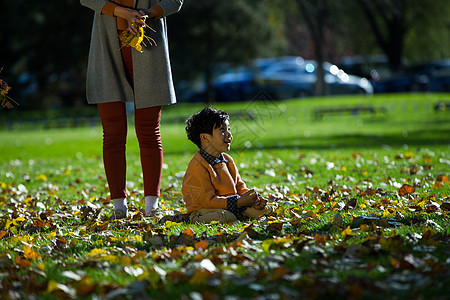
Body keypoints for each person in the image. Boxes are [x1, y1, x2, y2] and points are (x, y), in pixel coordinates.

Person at [80, 0, 183, 219]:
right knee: (113, 133)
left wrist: (147, 13)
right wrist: (121, 12)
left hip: (149, 49)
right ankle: (119, 206)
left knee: (149, 131)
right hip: (106, 49)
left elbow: (175, 1)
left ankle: (152, 205)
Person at [182, 107, 272, 224]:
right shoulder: (198, 166)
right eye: (222, 130)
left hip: (233, 205)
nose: (229, 134)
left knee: (266, 211)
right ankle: (192, 220)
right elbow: (207, 201)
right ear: (205, 137)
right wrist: (238, 202)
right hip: (204, 210)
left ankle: (241, 213)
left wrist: (253, 199)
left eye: (229, 129)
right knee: (226, 217)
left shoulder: (227, 160)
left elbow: (239, 186)